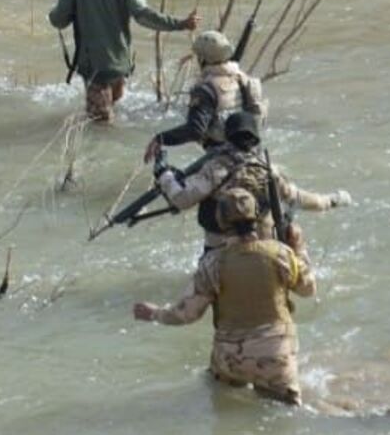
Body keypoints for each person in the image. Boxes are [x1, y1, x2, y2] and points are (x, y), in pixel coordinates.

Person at [132, 187, 315, 405]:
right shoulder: (281, 254)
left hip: (230, 361)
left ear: (219, 221)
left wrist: (155, 313)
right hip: (275, 358)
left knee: (222, 406)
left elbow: (186, 314)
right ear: (256, 215)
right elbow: (308, 289)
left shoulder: (212, 263)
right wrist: (299, 248)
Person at [153, 112, 351, 256]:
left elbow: (182, 199)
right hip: (264, 251)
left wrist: (164, 173)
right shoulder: (268, 170)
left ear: (227, 137)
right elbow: (299, 198)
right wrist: (332, 200)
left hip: (220, 253)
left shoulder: (215, 169)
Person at [48, 0, 199, 122]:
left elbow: (58, 21)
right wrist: (180, 23)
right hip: (120, 62)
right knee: (114, 105)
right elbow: (144, 16)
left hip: (93, 65)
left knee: (100, 124)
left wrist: (56, 14)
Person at [146, 30, 266, 161]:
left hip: (222, 156)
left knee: (173, 179)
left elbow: (195, 130)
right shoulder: (243, 78)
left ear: (202, 59)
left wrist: (160, 139)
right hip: (253, 152)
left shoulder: (205, 90)